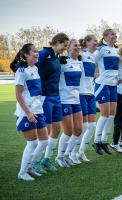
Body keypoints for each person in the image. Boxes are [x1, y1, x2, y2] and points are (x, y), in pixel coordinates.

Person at [11, 44, 49, 181]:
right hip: (26, 113)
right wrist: (28, 113)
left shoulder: (35, 68)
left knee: (44, 141)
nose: (36, 53)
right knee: (32, 143)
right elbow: (18, 94)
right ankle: (22, 172)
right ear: (26, 54)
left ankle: (31, 166)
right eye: (34, 51)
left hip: (38, 111)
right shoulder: (21, 70)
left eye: (37, 51)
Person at [37, 33, 69, 172]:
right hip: (44, 97)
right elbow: (31, 67)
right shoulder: (44, 53)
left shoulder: (56, 57)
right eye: (64, 45)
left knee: (56, 129)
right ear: (56, 42)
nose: (65, 48)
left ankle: (46, 159)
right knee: (46, 131)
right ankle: (35, 161)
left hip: (57, 96)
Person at [55, 39, 83, 167]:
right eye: (74, 45)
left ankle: (67, 155)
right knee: (68, 131)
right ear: (68, 48)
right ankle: (59, 157)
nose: (77, 47)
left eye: (78, 45)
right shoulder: (61, 61)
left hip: (76, 100)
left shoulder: (80, 62)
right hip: (64, 100)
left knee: (78, 130)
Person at [93, 29, 119, 155]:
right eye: (112, 34)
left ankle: (104, 141)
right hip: (103, 84)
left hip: (114, 85)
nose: (115, 36)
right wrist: (95, 73)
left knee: (112, 114)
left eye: (115, 34)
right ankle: (96, 141)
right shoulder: (101, 49)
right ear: (105, 37)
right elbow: (91, 61)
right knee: (105, 114)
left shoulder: (116, 49)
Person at [76, 35, 98, 162]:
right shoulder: (80, 54)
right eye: (94, 40)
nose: (96, 43)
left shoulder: (93, 56)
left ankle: (81, 152)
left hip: (91, 94)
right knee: (83, 127)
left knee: (91, 126)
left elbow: (93, 75)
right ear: (87, 42)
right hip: (81, 93)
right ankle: (72, 153)